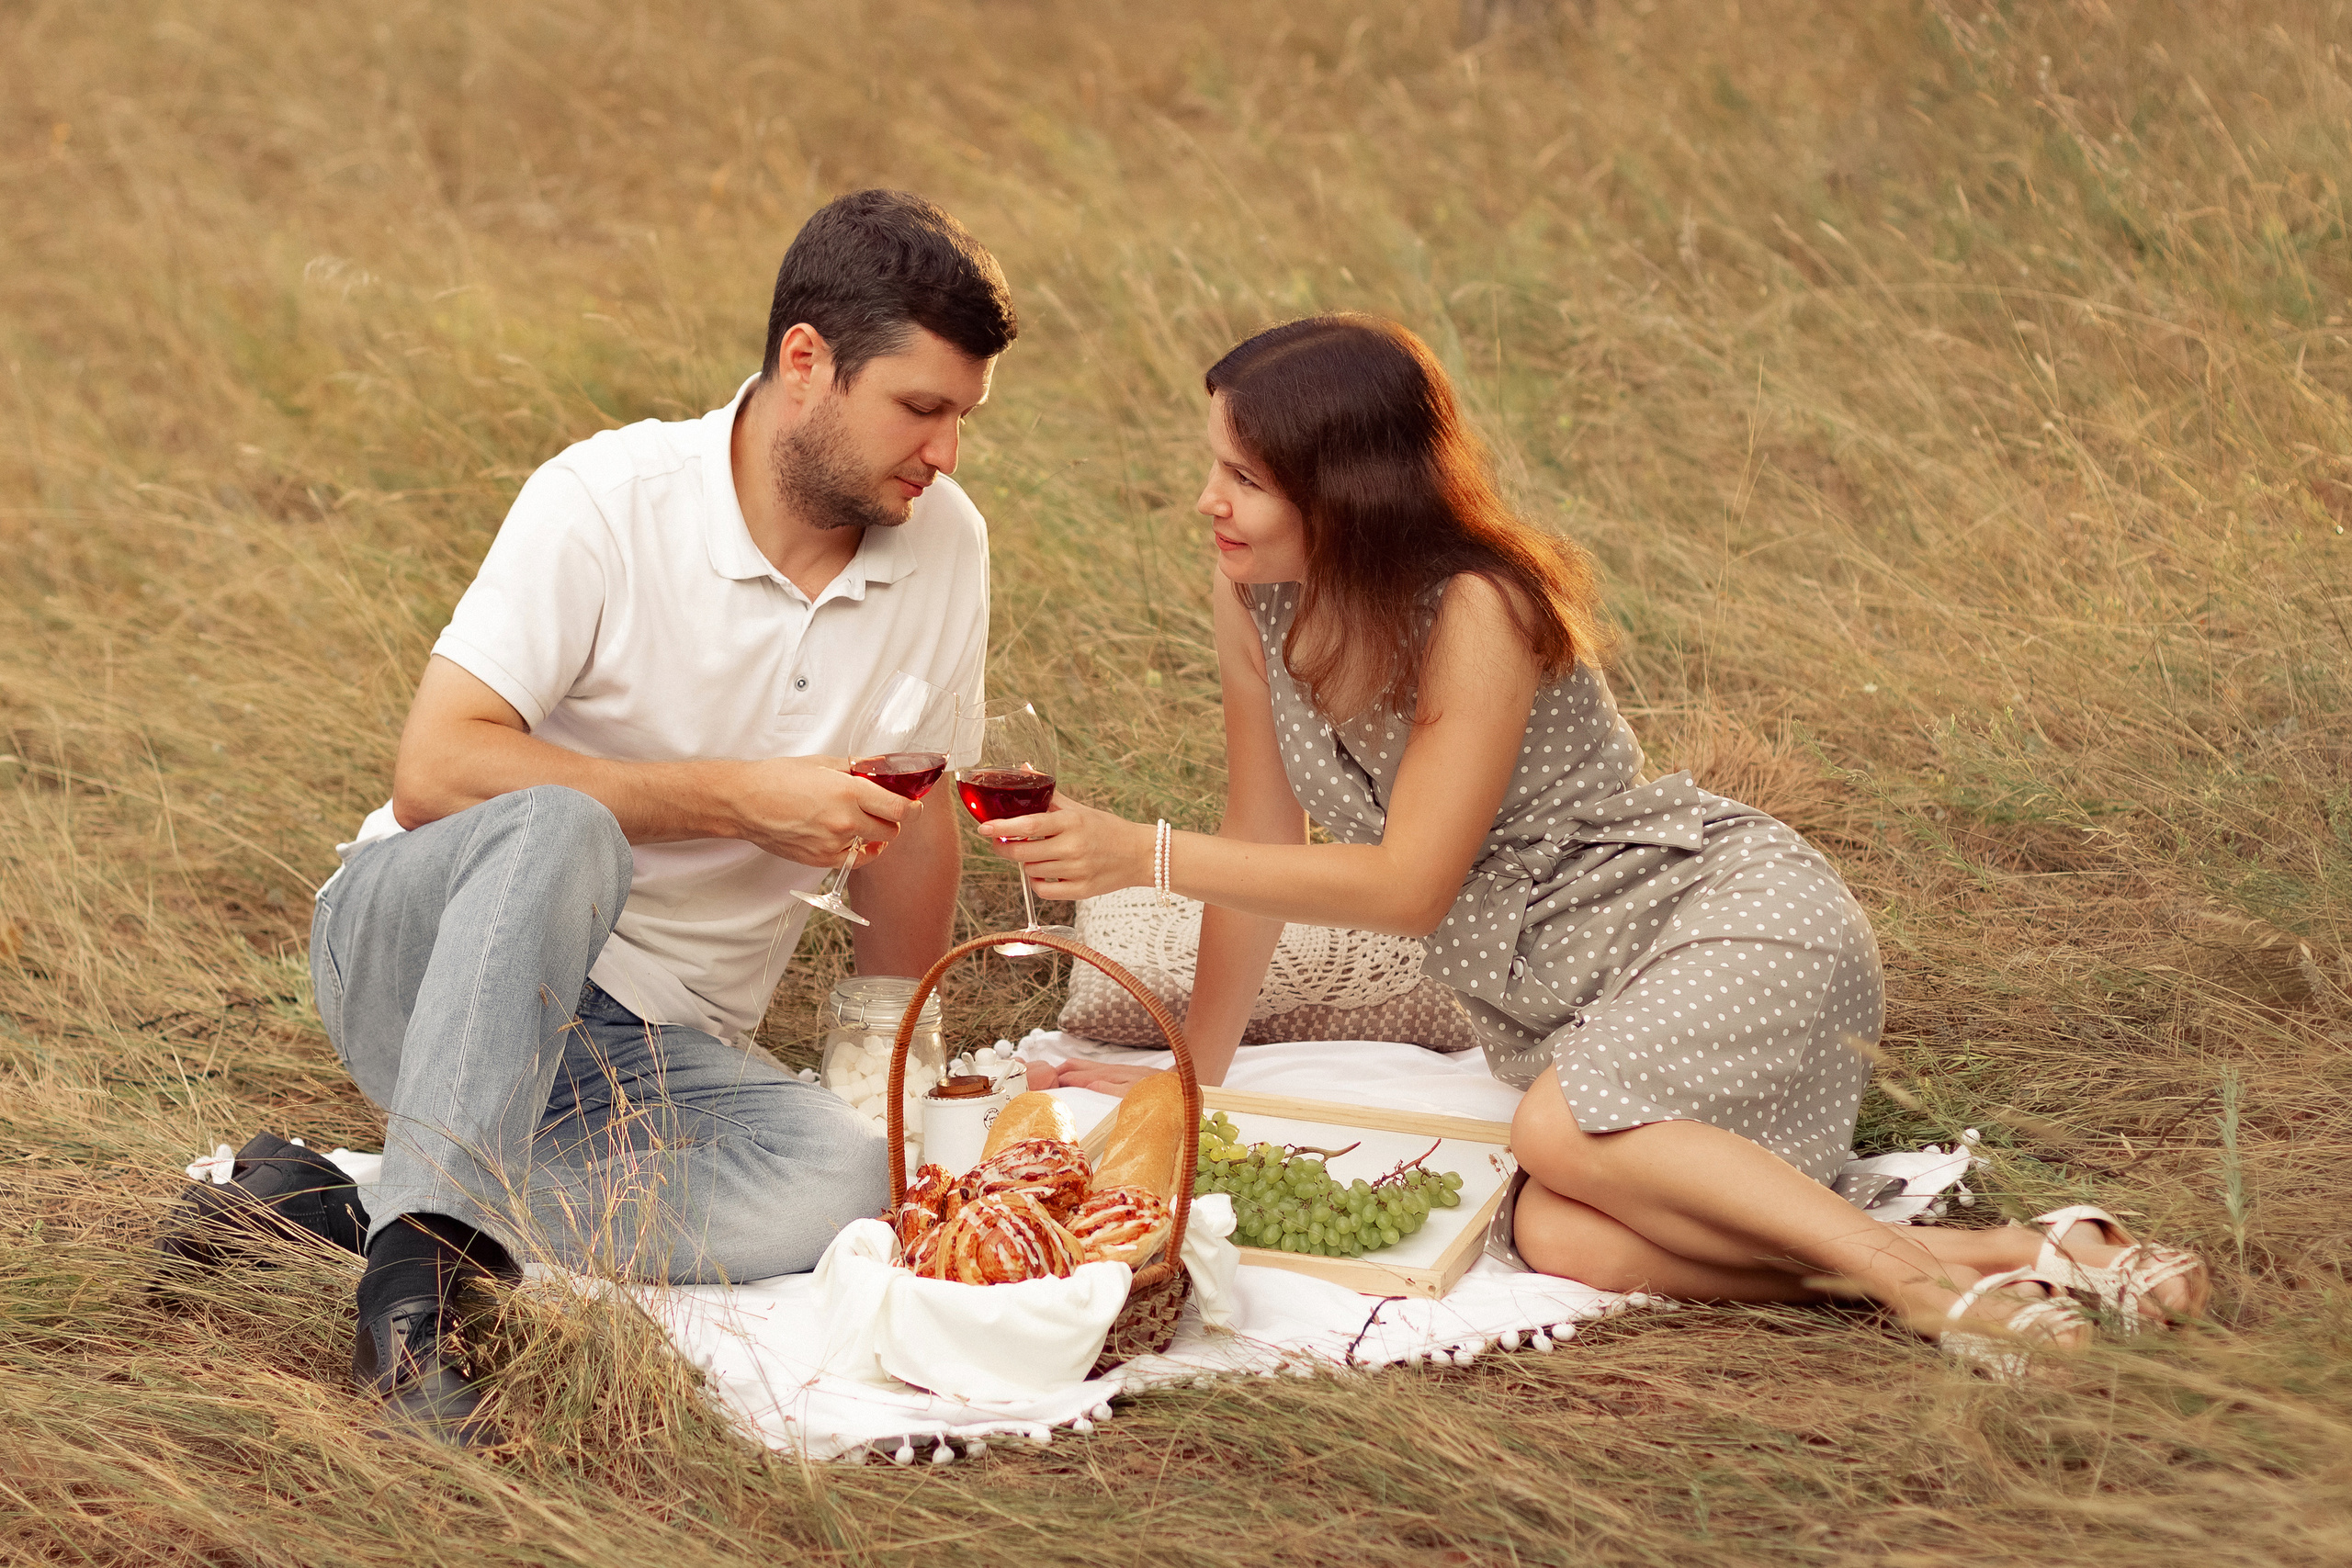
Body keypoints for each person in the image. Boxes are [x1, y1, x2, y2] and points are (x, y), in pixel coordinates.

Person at [982, 314, 2208, 1371]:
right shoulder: (1252, 589)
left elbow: (1410, 888)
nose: (1209, 500)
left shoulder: (1477, 608)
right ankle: (2008, 1253)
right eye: (1214, 465)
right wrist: (1193, 1069)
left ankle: (1915, 1284)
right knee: (1560, 1235)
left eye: (1244, 478)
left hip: (1718, 921)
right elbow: (1262, 831)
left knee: (1553, 1137)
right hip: (1577, 1000)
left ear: (1344, 490)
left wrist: (1143, 854)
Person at [159, 190, 1013, 1445]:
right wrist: (737, 799)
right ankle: (412, 1327)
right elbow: (436, 768)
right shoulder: (609, 498)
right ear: (806, 363)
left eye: (964, 417)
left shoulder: (946, 545)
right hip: (429, 958)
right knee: (562, 825)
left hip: (654, 1047)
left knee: (847, 1175)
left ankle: (345, 1210)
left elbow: (917, 808)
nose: (947, 453)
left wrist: (891, 1037)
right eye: (921, 408)